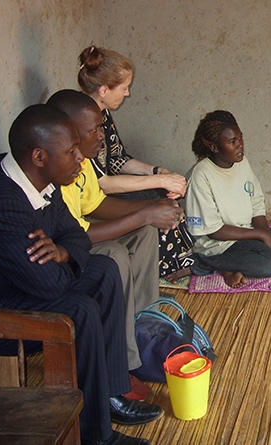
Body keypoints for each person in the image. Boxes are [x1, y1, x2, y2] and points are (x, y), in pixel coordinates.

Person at [0, 104, 160, 444]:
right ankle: (96, 436)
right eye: (71, 151)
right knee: (79, 308)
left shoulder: (42, 180)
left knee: (105, 269)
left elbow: (75, 235)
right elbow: (50, 286)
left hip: (12, 280)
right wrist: (64, 255)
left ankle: (108, 394)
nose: (80, 157)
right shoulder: (0, 202)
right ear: (38, 156)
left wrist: (63, 251)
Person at [46, 89, 184, 393]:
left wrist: (151, 211)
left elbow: (96, 206)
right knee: (113, 255)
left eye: (101, 127)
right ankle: (125, 362)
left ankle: (144, 322)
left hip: (78, 237)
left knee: (146, 233)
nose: (102, 136)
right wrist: (145, 214)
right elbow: (79, 236)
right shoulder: (60, 171)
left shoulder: (82, 164)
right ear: (68, 131)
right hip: (68, 253)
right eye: (94, 129)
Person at [183, 110, 271, 288]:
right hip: (217, 244)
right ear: (214, 147)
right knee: (269, 264)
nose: (240, 146)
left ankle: (235, 267)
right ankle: (202, 263)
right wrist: (261, 236)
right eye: (233, 142)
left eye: (240, 138)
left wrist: (268, 237)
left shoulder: (242, 163)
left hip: (248, 234)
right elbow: (214, 231)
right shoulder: (200, 175)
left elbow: (256, 204)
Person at [77, 45, 186, 200]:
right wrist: (161, 181)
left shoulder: (103, 112)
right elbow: (103, 183)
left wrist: (157, 171)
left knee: (165, 195)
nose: (127, 93)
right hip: (90, 198)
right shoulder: (81, 118)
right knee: (162, 202)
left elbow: (117, 158)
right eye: (124, 88)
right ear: (103, 90)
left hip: (104, 192)